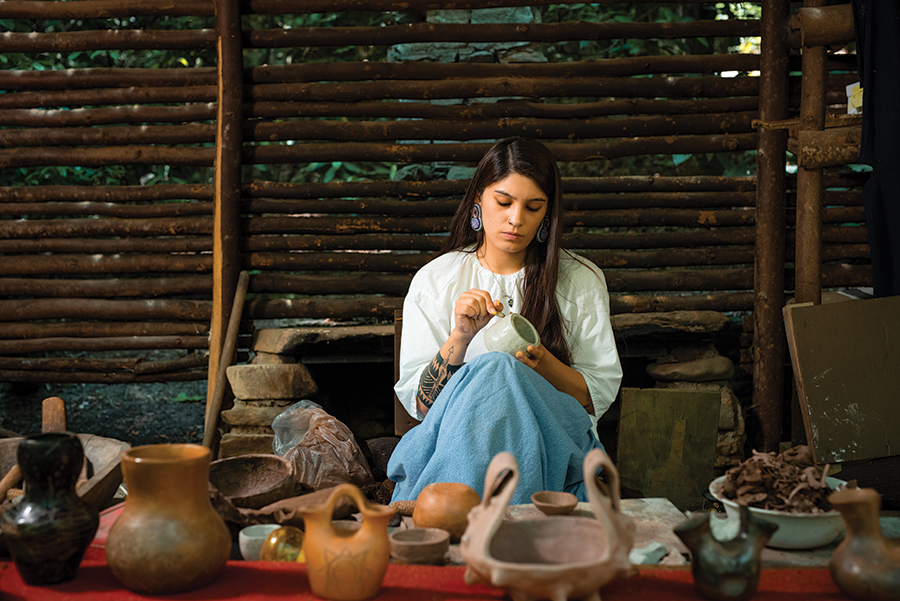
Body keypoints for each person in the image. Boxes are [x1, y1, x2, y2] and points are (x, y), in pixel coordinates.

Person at [387, 137, 622, 505]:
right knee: (495, 370)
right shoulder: (436, 280)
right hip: (454, 439)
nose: (516, 218)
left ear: (547, 213)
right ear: (478, 200)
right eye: (503, 202)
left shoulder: (579, 280)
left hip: (555, 443)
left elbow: (594, 398)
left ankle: (454, 512)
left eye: (533, 206)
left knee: (500, 370)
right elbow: (422, 407)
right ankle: (515, 523)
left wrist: (539, 362)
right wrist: (460, 337)